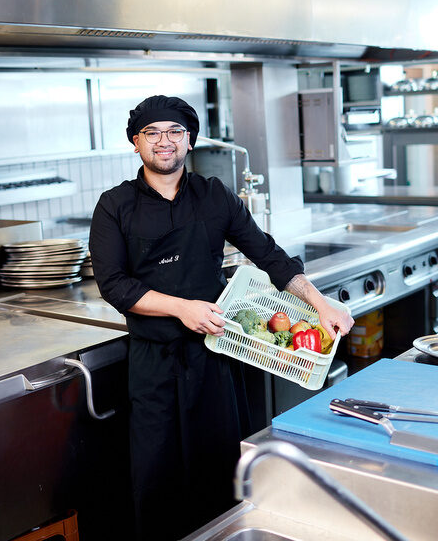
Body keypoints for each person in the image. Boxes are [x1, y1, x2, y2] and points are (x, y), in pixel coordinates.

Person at [89, 95, 353, 540]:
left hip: (214, 357)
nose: (164, 141)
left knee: (219, 475)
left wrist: (320, 303)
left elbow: (270, 256)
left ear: (189, 140)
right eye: (152, 133)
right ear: (136, 143)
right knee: (157, 482)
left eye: (174, 132)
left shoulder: (214, 196)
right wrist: (181, 308)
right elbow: (114, 286)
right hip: (153, 365)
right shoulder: (114, 206)